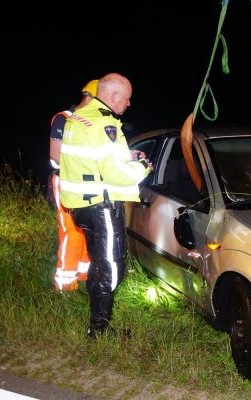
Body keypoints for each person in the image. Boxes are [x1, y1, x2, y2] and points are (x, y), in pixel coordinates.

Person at [59, 73, 153, 338]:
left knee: (99, 264)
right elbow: (116, 175)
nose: (129, 104)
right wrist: (142, 167)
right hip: (101, 206)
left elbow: (93, 160)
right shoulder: (104, 125)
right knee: (112, 267)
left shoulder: (78, 118)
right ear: (113, 97)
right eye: (127, 98)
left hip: (80, 205)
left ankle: (97, 324)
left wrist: (127, 156)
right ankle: (99, 330)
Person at [49, 79, 99, 292]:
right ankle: (65, 284)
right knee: (71, 231)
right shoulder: (64, 119)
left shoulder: (90, 123)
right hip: (66, 180)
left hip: (85, 183)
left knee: (85, 229)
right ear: (90, 97)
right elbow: (55, 155)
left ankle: (84, 275)